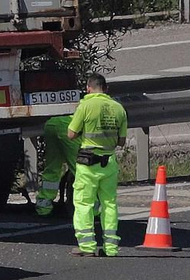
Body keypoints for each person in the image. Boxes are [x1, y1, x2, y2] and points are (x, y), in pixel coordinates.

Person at [66, 71, 128, 257]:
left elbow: (71, 134)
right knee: (109, 203)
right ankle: (111, 247)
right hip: (109, 163)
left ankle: (87, 246)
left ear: (88, 89)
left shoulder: (85, 106)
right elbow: (122, 141)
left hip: (88, 163)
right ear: (106, 88)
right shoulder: (118, 108)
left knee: (84, 203)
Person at [34, 111, 77, 218]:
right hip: (70, 125)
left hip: (51, 124)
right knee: (81, 170)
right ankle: (93, 210)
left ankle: (44, 208)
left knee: (52, 167)